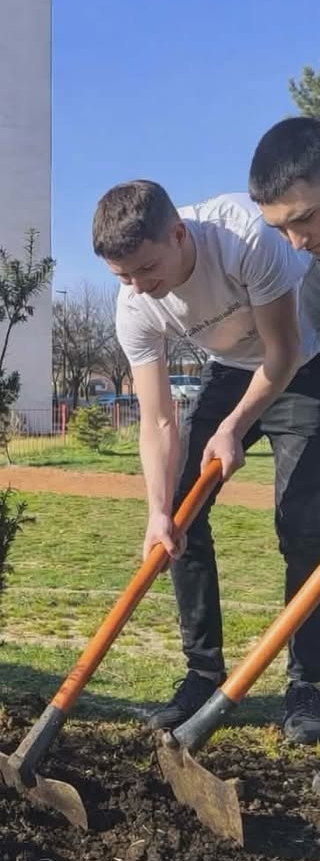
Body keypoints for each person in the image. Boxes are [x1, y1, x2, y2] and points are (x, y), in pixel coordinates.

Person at [92, 180, 320, 743]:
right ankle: (201, 673)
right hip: (229, 371)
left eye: (146, 269)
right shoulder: (133, 305)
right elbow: (158, 418)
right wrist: (156, 509)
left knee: (303, 527)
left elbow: (282, 354)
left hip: (301, 363)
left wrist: (233, 428)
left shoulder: (245, 236)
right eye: (124, 277)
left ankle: (307, 684)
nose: (140, 288)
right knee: (178, 520)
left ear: (178, 233)